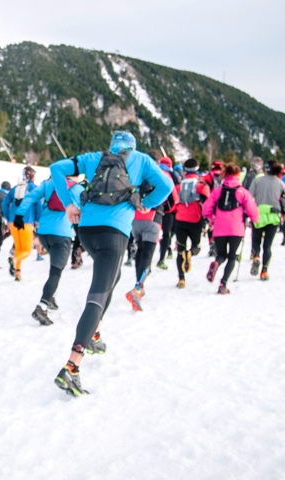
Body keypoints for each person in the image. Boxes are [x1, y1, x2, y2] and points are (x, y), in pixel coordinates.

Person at [49, 131, 173, 397]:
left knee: (112, 278)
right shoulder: (141, 160)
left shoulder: (95, 158)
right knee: (98, 294)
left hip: (86, 230)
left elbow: (57, 168)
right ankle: (72, 366)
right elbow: (167, 187)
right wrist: (145, 203)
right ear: (132, 146)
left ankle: (94, 334)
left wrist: (71, 203)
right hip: (113, 233)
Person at [16, 174, 83, 325]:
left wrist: (20, 214)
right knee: (56, 272)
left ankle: (50, 297)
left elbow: (29, 197)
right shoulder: (77, 188)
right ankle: (42, 305)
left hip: (44, 233)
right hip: (62, 235)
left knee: (54, 266)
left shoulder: (49, 184)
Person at [126, 156, 180, 311]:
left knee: (141, 252)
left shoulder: (136, 176)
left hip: (135, 219)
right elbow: (172, 199)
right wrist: (165, 211)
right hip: (153, 217)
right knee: (148, 255)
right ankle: (138, 288)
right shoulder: (161, 177)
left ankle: (138, 285)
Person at [202, 164, 259, 294]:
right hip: (236, 228)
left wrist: (210, 218)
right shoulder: (242, 191)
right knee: (232, 257)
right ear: (238, 175)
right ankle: (223, 284)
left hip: (219, 228)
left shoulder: (218, 190)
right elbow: (252, 209)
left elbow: (206, 207)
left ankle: (216, 263)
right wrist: (254, 219)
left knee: (221, 254)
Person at [171, 158, 211, 289]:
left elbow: (172, 203)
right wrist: (208, 219)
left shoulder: (178, 186)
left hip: (180, 220)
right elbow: (207, 203)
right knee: (196, 247)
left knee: (180, 250)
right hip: (195, 220)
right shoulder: (201, 185)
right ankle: (191, 253)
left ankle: (181, 279)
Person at [249, 163, 285, 280]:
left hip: (259, 214)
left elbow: (249, 196)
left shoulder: (257, 181)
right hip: (273, 216)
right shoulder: (281, 183)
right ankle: (264, 271)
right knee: (267, 245)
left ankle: (256, 256)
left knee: (256, 241)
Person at [3, 166, 41, 282]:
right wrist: (38, 220)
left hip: (13, 222)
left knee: (19, 248)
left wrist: (8, 218)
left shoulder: (15, 188)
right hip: (26, 222)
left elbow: (5, 204)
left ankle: (18, 273)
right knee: (26, 250)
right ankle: (14, 261)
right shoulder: (35, 188)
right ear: (33, 176)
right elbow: (39, 205)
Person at [154, 156, 179, 270]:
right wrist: (172, 209)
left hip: (153, 209)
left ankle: (145, 261)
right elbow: (175, 193)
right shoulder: (172, 175)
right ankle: (162, 258)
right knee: (166, 234)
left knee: (152, 234)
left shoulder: (154, 172)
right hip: (168, 210)